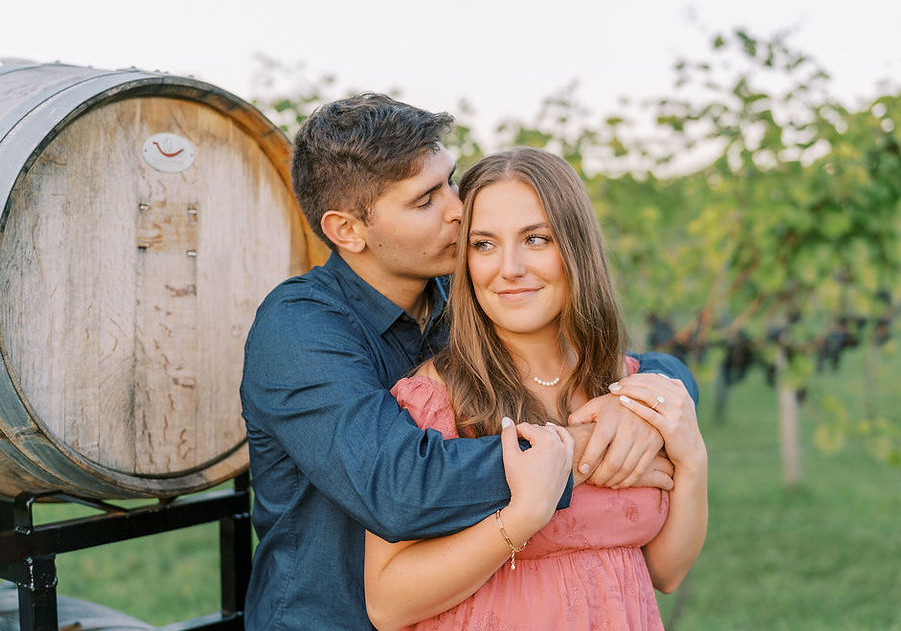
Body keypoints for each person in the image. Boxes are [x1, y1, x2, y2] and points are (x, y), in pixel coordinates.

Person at [240, 94, 696, 630]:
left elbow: (642, 364)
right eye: (425, 199)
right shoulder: (299, 328)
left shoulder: (464, 299)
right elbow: (400, 484)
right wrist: (580, 449)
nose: (459, 208)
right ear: (348, 231)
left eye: (450, 180)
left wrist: (643, 405)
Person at [363, 148, 708, 630]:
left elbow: (665, 572)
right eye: (483, 245)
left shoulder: (626, 388)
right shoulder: (435, 401)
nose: (509, 268)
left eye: (536, 239)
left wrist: (692, 459)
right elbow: (387, 605)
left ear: (576, 248)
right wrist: (524, 515)